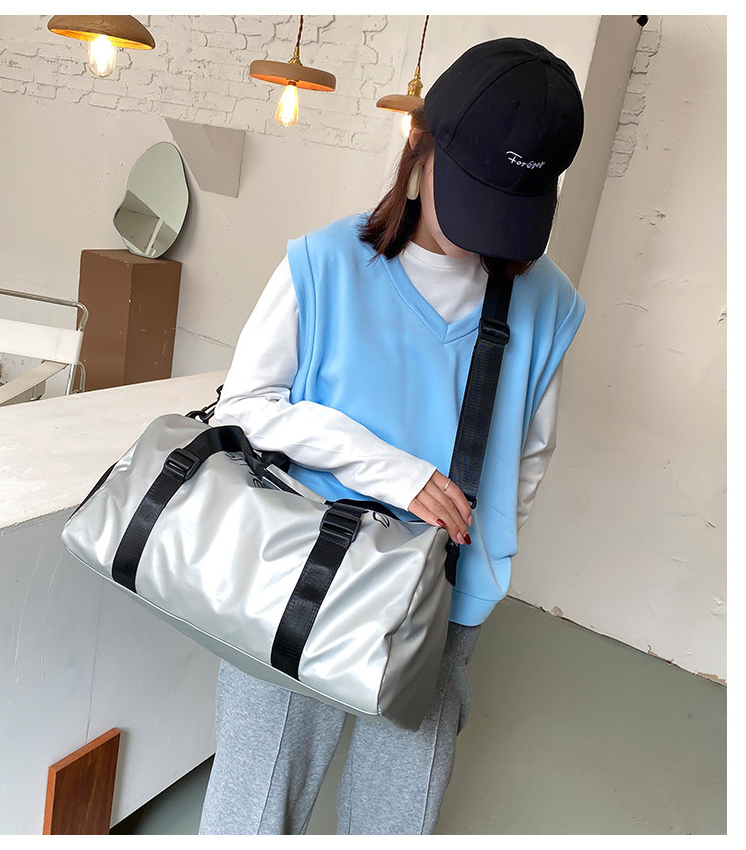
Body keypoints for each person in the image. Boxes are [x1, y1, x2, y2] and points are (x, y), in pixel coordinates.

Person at [198, 37, 586, 835]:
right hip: (295, 576)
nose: (485, 235)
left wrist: (479, 558)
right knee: (252, 811)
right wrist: (392, 471)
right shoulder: (324, 264)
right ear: (421, 145)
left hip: (439, 601)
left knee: (396, 819)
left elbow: (527, 456)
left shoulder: (547, 303)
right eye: (474, 193)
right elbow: (246, 407)